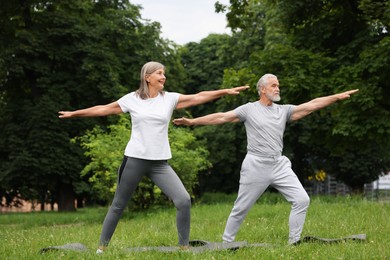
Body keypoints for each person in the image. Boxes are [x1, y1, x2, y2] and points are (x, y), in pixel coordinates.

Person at [58, 61, 249, 253]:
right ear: (147, 77)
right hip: (134, 160)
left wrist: (224, 91)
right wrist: (75, 114)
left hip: (159, 164)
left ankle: (183, 247)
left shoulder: (170, 99)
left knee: (183, 200)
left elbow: (199, 97)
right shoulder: (132, 99)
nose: (163, 76)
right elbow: (103, 109)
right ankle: (101, 249)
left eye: (164, 73)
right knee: (118, 205)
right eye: (159, 73)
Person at [173, 73, 359, 245]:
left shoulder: (284, 111)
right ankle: (226, 244)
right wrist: (192, 122)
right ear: (262, 89)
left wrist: (335, 97)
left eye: (278, 86)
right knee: (241, 208)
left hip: (279, 164)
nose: (277, 88)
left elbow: (311, 105)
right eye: (273, 85)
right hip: (255, 165)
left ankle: (294, 242)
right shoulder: (249, 109)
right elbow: (221, 117)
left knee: (302, 200)